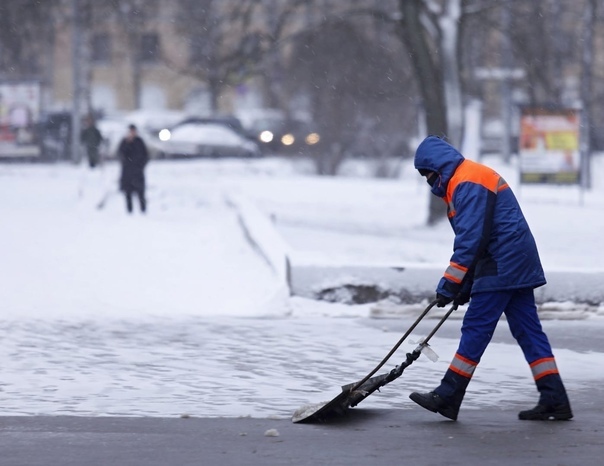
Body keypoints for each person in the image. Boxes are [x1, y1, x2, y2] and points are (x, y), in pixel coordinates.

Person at [409, 135, 572, 421]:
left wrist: (450, 283)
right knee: (528, 330)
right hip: (515, 260)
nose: (428, 181)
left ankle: (448, 395)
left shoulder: (466, 180)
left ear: (437, 167)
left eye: (427, 174)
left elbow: (472, 239)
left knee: (476, 327)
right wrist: (465, 285)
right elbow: (478, 237)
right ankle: (554, 397)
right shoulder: (466, 178)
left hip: (502, 262)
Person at [118, 124, 149, 214]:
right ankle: (129, 211)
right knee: (128, 193)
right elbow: (121, 154)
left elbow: (145, 156)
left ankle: (143, 211)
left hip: (138, 172)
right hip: (127, 172)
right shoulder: (124, 142)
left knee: (141, 193)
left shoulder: (139, 142)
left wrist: (141, 166)